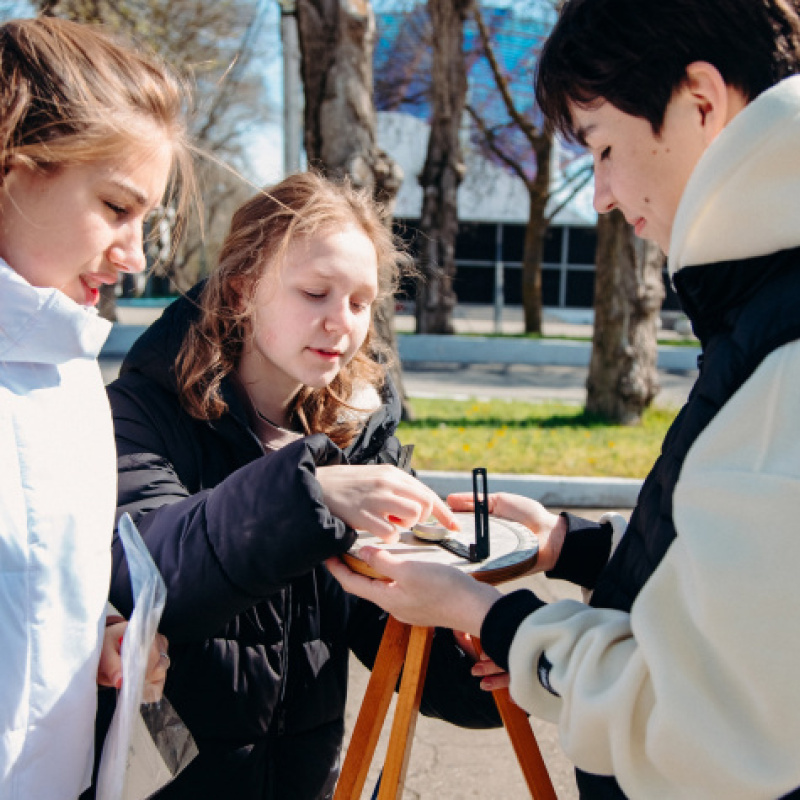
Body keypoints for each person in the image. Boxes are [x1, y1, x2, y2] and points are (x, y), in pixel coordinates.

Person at [326, 0, 800, 797]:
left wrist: (483, 618)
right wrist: (573, 547)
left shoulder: (782, 346)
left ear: (701, 103)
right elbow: (743, 607)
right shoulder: (766, 308)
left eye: (604, 149)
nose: (602, 196)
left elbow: (698, 724)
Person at [100, 171, 500, 800]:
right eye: (315, 292)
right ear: (240, 290)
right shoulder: (142, 411)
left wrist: (484, 660)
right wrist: (308, 496)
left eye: (360, 302)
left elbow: (389, 620)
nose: (341, 323)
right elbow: (152, 573)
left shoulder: (360, 431)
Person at [0, 15, 193, 800]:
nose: (136, 254)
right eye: (117, 207)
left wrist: (104, 639)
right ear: (14, 169)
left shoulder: (74, 370)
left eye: (146, 218)